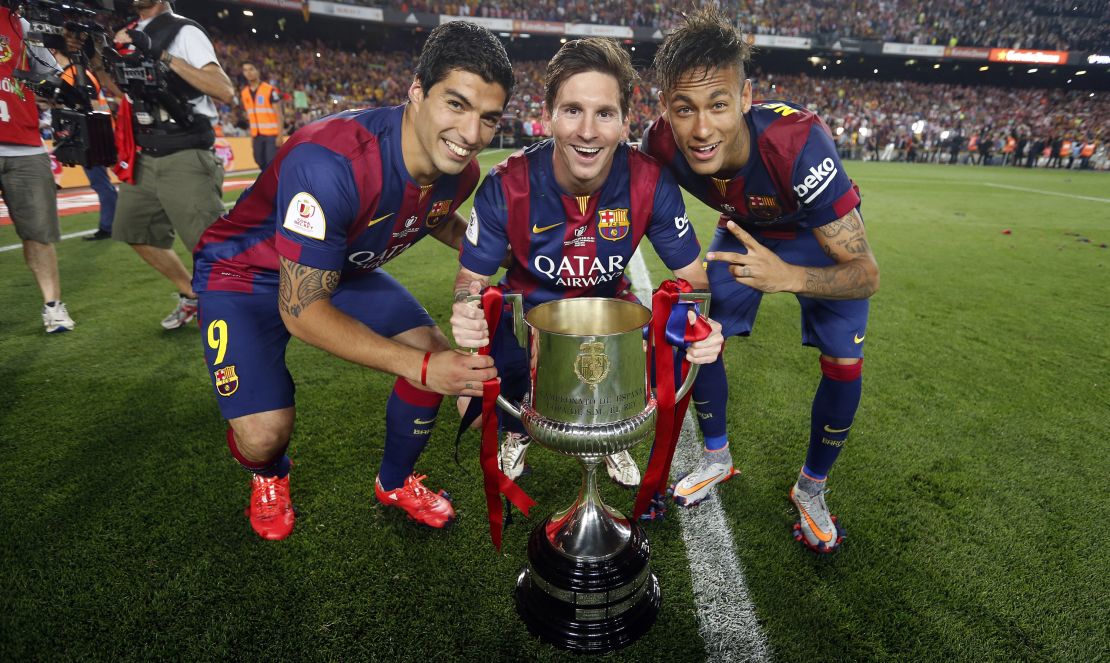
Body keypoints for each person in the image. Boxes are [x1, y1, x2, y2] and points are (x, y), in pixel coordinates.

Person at [191, 21, 509, 540]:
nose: (472, 135)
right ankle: (269, 475)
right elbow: (303, 312)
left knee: (429, 348)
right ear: (416, 91)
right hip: (244, 276)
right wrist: (424, 368)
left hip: (338, 267)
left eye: (488, 118)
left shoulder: (461, 171)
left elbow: (434, 215)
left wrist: (505, 251)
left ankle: (395, 480)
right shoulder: (329, 161)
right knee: (264, 435)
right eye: (456, 105)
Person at [642, 8, 880, 553]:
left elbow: (865, 275)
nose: (702, 129)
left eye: (719, 105)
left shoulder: (798, 143)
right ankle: (717, 458)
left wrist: (790, 276)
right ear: (665, 110)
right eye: (685, 109)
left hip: (815, 241)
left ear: (746, 98)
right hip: (745, 231)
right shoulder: (660, 144)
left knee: (844, 362)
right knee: (700, 335)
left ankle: (812, 489)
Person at [450, 38, 724, 489]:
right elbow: (472, 278)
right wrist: (465, 307)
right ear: (550, 114)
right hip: (526, 315)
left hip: (606, 318)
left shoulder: (649, 181)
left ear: (624, 121)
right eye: (573, 110)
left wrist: (699, 325)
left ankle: (612, 437)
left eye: (604, 113)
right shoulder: (507, 184)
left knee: (640, 351)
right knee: (474, 411)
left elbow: (693, 279)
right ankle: (518, 432)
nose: (588, 131)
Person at [90, 0, 234, 330]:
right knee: (132, 229)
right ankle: (192, 294)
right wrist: (95, 59)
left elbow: (224, 90)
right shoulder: (127, 33)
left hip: (184, 150)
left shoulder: (182, 30)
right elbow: (125, 91)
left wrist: (162, 53)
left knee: (211, 246)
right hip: (144, 152)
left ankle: (235, 312)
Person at [0, 6, 75, 333]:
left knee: (38, 233)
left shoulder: (22, 22)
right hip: (22, 141)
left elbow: (53, 74)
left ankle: (53, 307)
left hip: (25, 142)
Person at [51, 38, 119, 242]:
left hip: (93, 133)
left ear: (53, 51)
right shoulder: (76, 72)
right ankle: (113, 223)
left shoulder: (74, 74)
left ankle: (110, 225)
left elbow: (86, 105)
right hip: (97, 131)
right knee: (103, 181)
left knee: (100, 182)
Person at [240, 61, 286, 171]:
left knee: (270, 162)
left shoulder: (269, 90)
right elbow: (250, 116)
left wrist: (280, 135)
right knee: (259, 160)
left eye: (251, 69)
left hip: (271, 135)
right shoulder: (244, 93)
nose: (248, 73)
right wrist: (252, 136)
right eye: (245, 70)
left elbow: (279, 115)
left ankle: (274, 185)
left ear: (257, 71)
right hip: (257, 135)